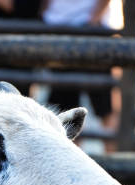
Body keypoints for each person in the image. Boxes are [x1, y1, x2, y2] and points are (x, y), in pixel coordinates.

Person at [42, 0, 120, 131]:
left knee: (106, 105)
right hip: (61, 27)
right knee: (67, 110)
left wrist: (94, 20)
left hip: (92, 28)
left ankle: (113, 150)